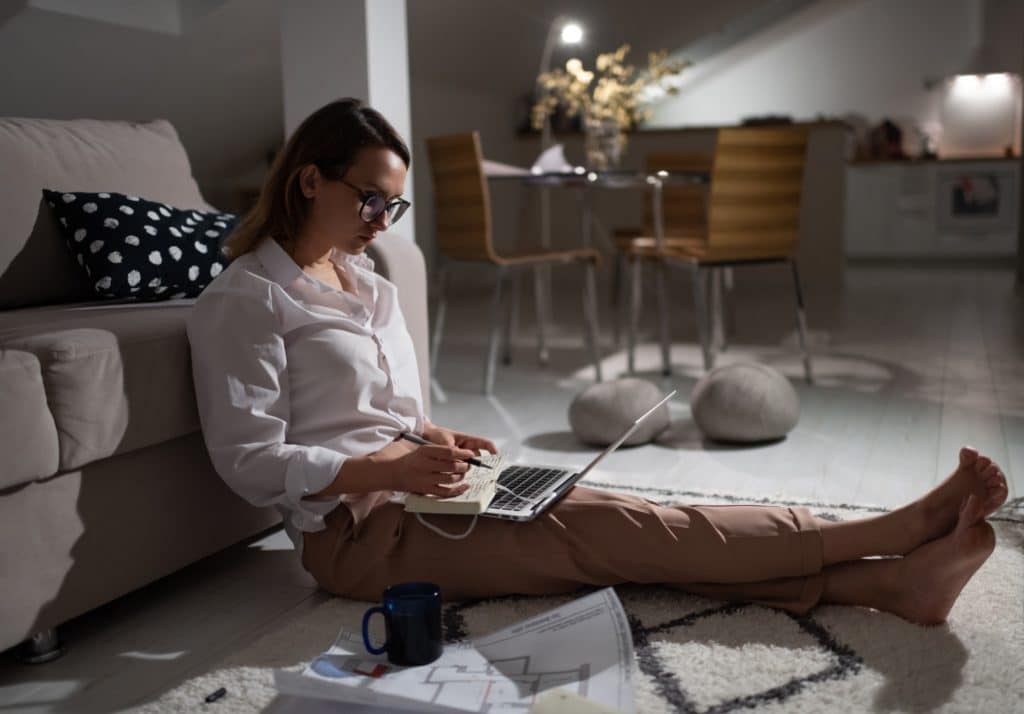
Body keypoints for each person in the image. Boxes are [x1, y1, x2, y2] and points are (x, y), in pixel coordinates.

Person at [187, 98, 1009, 627]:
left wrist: (439, 437)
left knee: (612, 516)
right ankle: (887, 535)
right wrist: (382, 470)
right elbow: (249, 461)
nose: (383, 219)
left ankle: (885, 587)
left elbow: (386, 413)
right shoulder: (247, 299)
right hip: (359, 539)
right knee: (622, 532)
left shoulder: (366, 279)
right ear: (307, 182)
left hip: (421, 493)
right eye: (371, 198)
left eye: (394, 203)